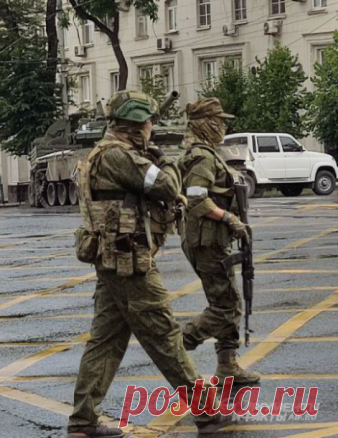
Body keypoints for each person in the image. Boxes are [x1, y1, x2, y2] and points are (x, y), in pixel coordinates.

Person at [68, 91, 230, 438]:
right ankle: (206, 412)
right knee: (165, 334)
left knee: (106, 339)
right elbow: (169, 186)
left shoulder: (107, 153)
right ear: (135, 126)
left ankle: (83, 420)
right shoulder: (117, 156)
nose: (151, 128)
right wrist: (162, 157)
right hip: (129, 263)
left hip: (115, 260)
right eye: (148, 123)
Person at [177, 98, 261, 385]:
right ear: (207, 123)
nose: (224, 125)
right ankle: (177, 346)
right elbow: (197, 199)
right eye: (219, 120)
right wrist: (229, 218)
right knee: (225, 306)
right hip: (207, 241)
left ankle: (227, 364)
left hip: (212, 240)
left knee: (229, 300)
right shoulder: (202, 158)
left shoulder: (208, 153)